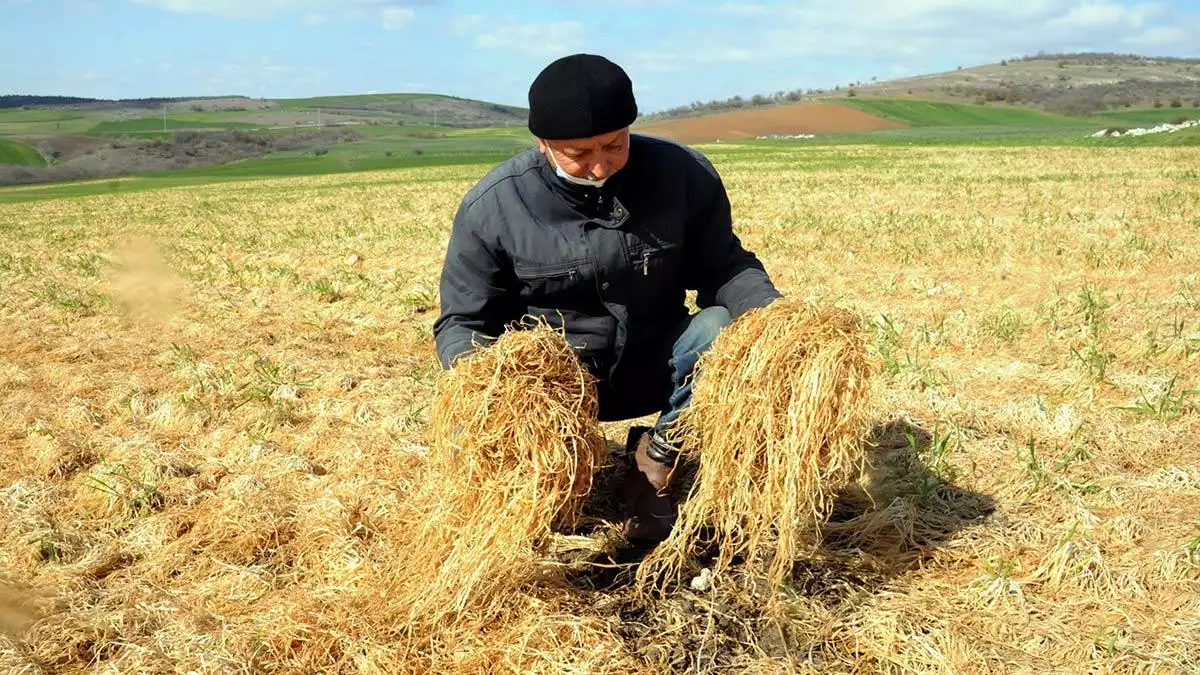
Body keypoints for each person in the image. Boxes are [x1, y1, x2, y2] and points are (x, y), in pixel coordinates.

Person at [433, 53, 780, 540]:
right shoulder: (493, 206)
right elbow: (465, 322)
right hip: (558, 390)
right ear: (543, 143)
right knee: (537, 520)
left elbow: (725, 266)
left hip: (656, 364)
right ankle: (556, 473)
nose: (599, 166)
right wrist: (489, 389)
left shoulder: (683, 175)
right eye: (577, 153)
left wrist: (778, 319)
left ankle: (656, 459)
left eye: (614, 145)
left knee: (721, 326)